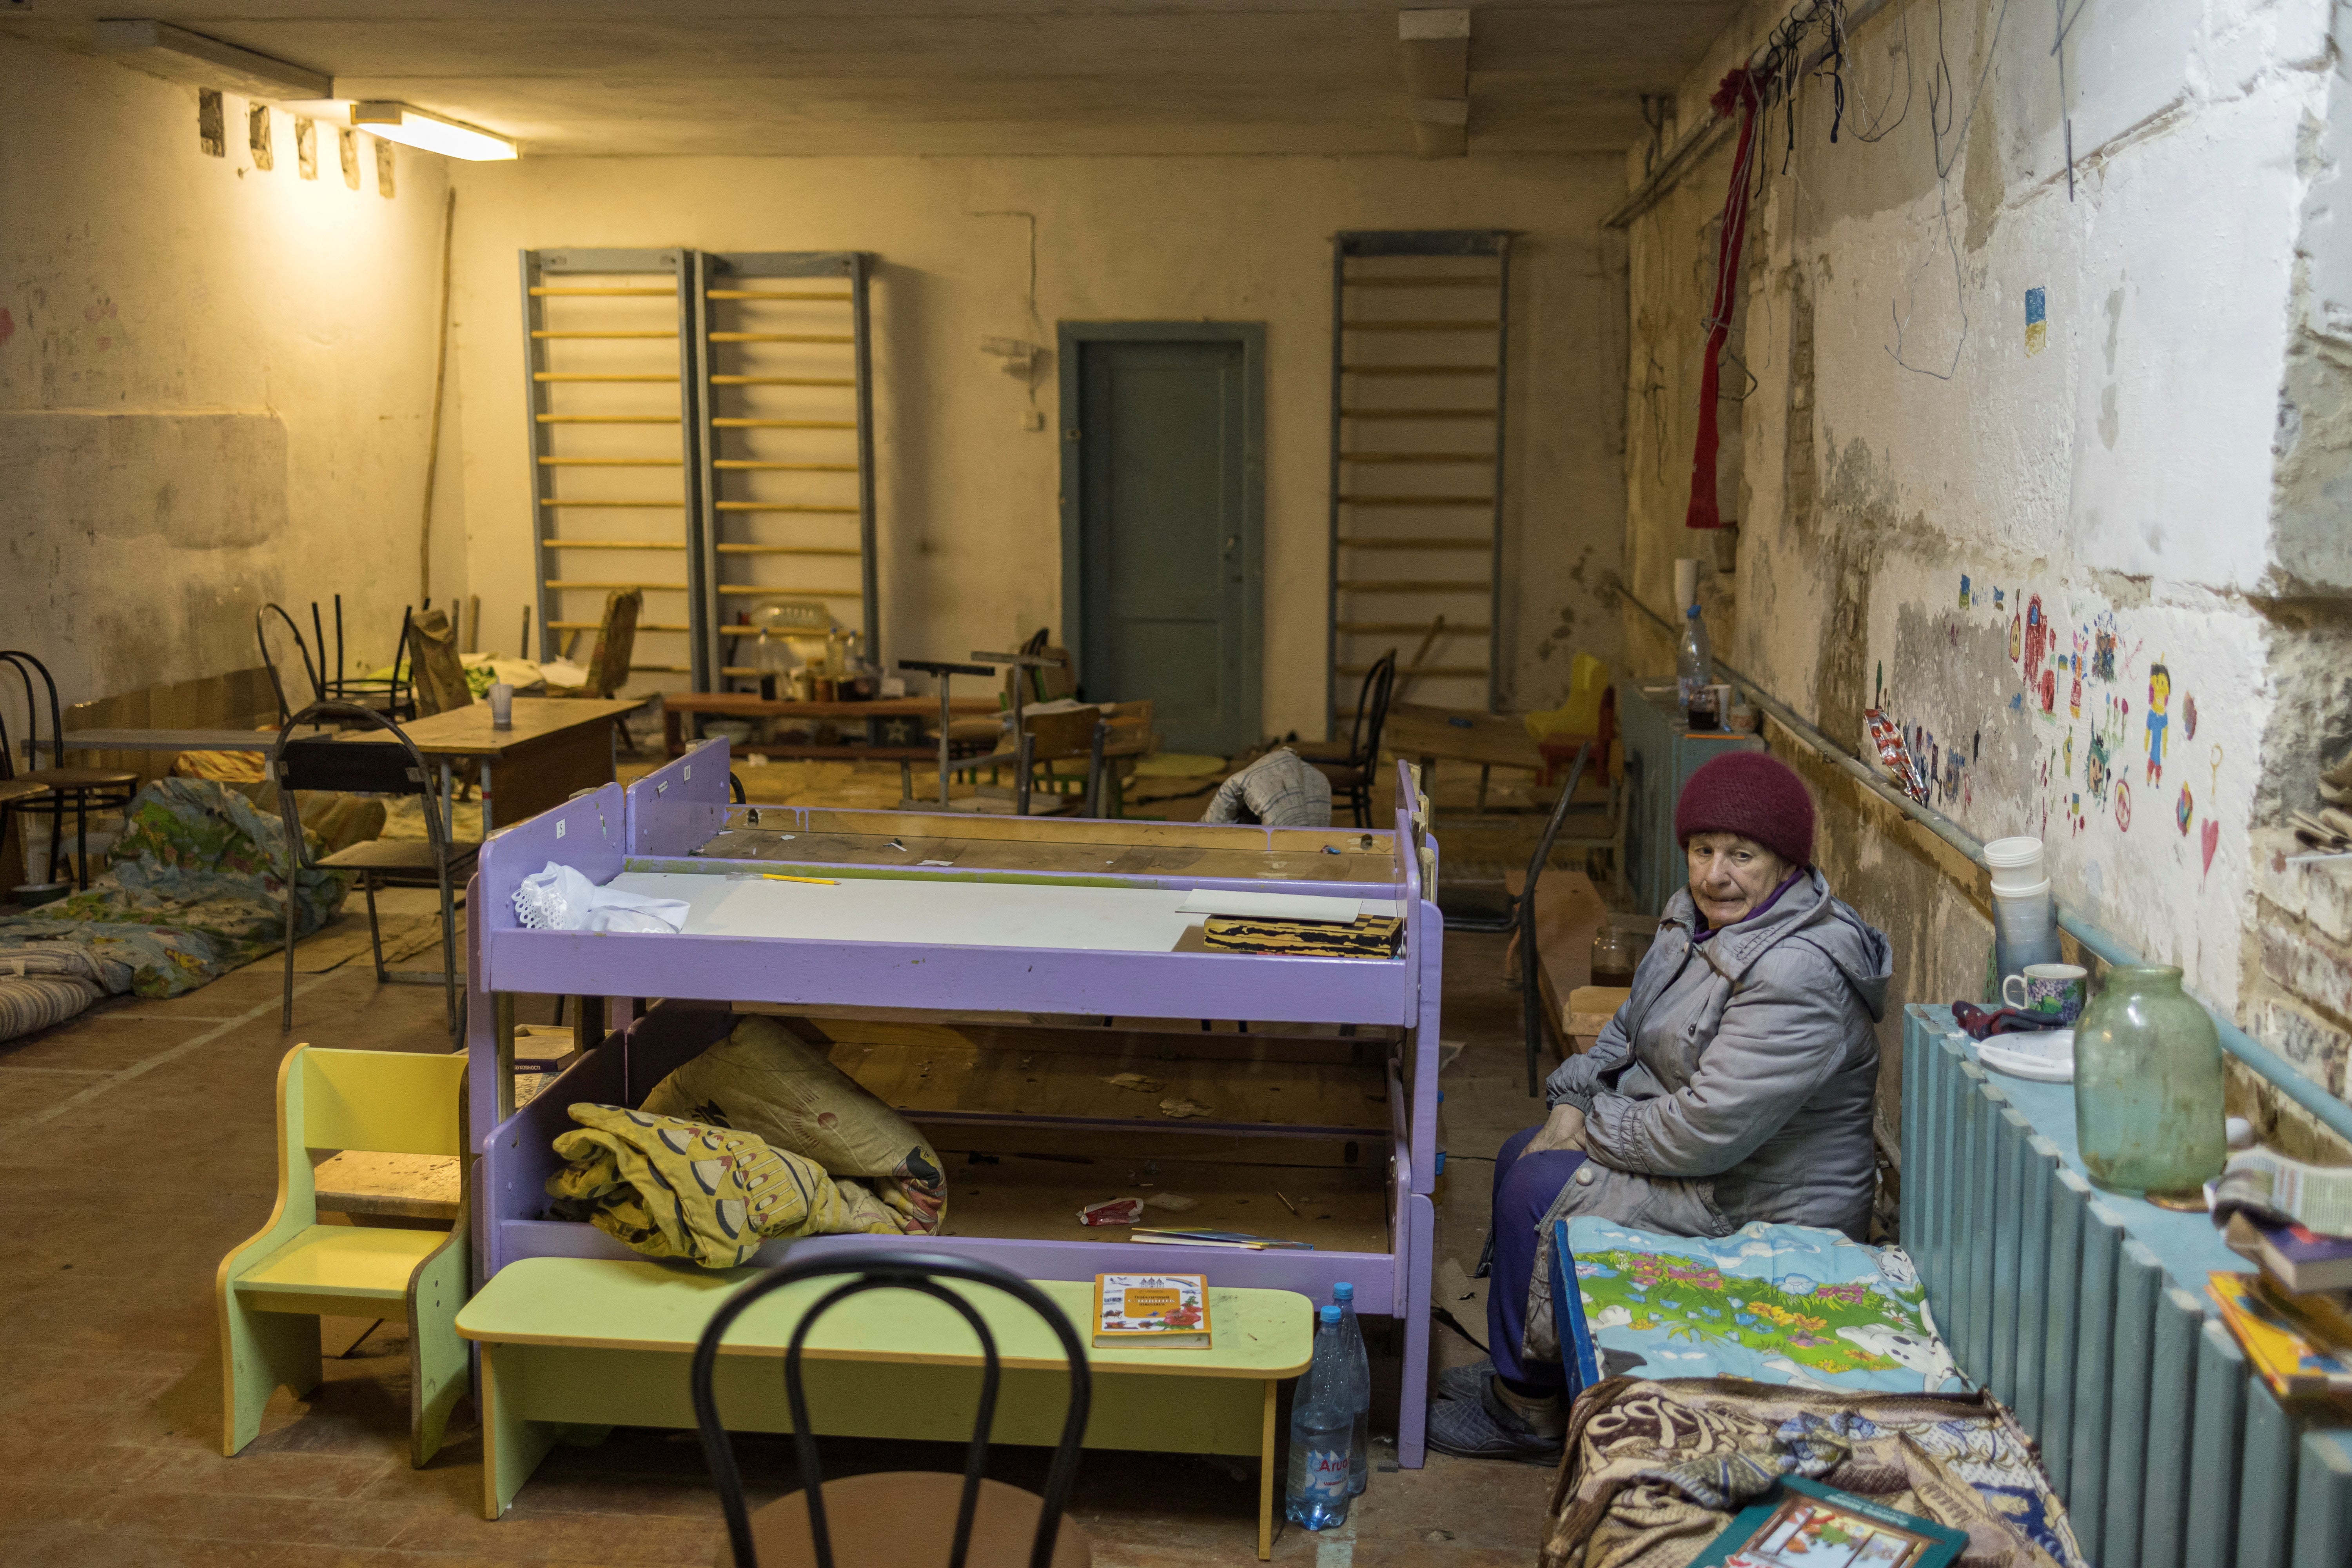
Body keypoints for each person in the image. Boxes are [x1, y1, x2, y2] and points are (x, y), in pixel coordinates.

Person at [1429, 751, 1891, 1462]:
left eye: (1743, 854)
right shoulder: (1696, 919)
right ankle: (1530, 1379)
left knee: (1536, 1188)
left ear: (1788, 864)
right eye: (1703, 851)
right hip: (1711, 1163)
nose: (1715, 874)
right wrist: (1575, 1095)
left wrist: (1591, 1124)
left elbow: (1706, 1130)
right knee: (1519, 1152)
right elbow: (1629, 1028)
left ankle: (1529, 1415)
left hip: (1755, 1199)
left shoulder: (1798, 971)